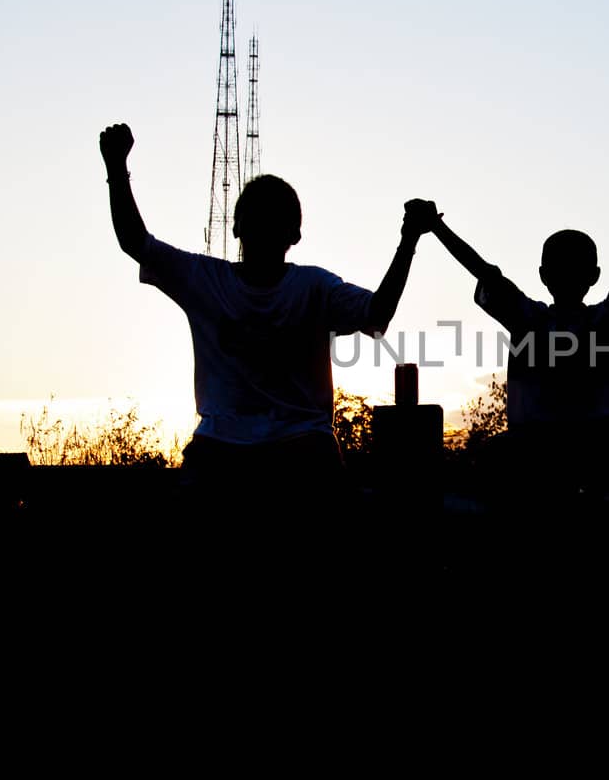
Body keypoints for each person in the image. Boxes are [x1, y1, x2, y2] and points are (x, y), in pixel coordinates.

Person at [98, 121, 435, 500]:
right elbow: (378, 316)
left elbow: (136, 242)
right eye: (261, 217)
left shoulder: (223, 280)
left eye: (271, 218)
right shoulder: (309, 286)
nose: (263, 227)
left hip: (250, 452)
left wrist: (115, 167)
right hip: (282, 452)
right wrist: (408, 241)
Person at [417, 163, 609, 492]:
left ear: (543, 274)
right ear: (594, 275)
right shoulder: (595, 319)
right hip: (554, 447)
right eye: (564, 266)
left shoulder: (530, 318)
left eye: (574, 266)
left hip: (570, 446)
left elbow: (482, 270)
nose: (569, 273)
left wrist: (436, 228)